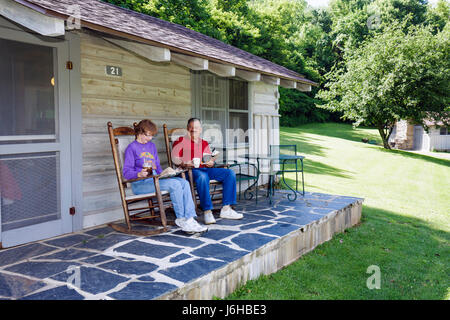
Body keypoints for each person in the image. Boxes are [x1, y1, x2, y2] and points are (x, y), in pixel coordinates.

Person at [123, 119, 207, 234]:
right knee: (175, 184)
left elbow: (157, 167)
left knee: (184, 182)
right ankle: (181, 219)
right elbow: (126, 173)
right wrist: (138, 173)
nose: (150, 138)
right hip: (140, 184)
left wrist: (166, 173)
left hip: (155, 180)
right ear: (140, 132)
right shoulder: (131, 148)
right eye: (148, 135)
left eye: (151, 136)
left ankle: (190, 218)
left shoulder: (151, 146)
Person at [172, 118, 243, 224]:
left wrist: (211, 162)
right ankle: (207, 211)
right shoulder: (180, 141)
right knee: (202, 176)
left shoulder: (204, 143)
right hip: (188, 171)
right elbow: (175, 158)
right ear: (187, 128)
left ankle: (226, 209)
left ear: (200, 129)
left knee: (229, 173)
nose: (193, 129)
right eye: (191, 127)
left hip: (204, 169)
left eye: (196, 127)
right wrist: (184, 162)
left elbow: (207, 158)